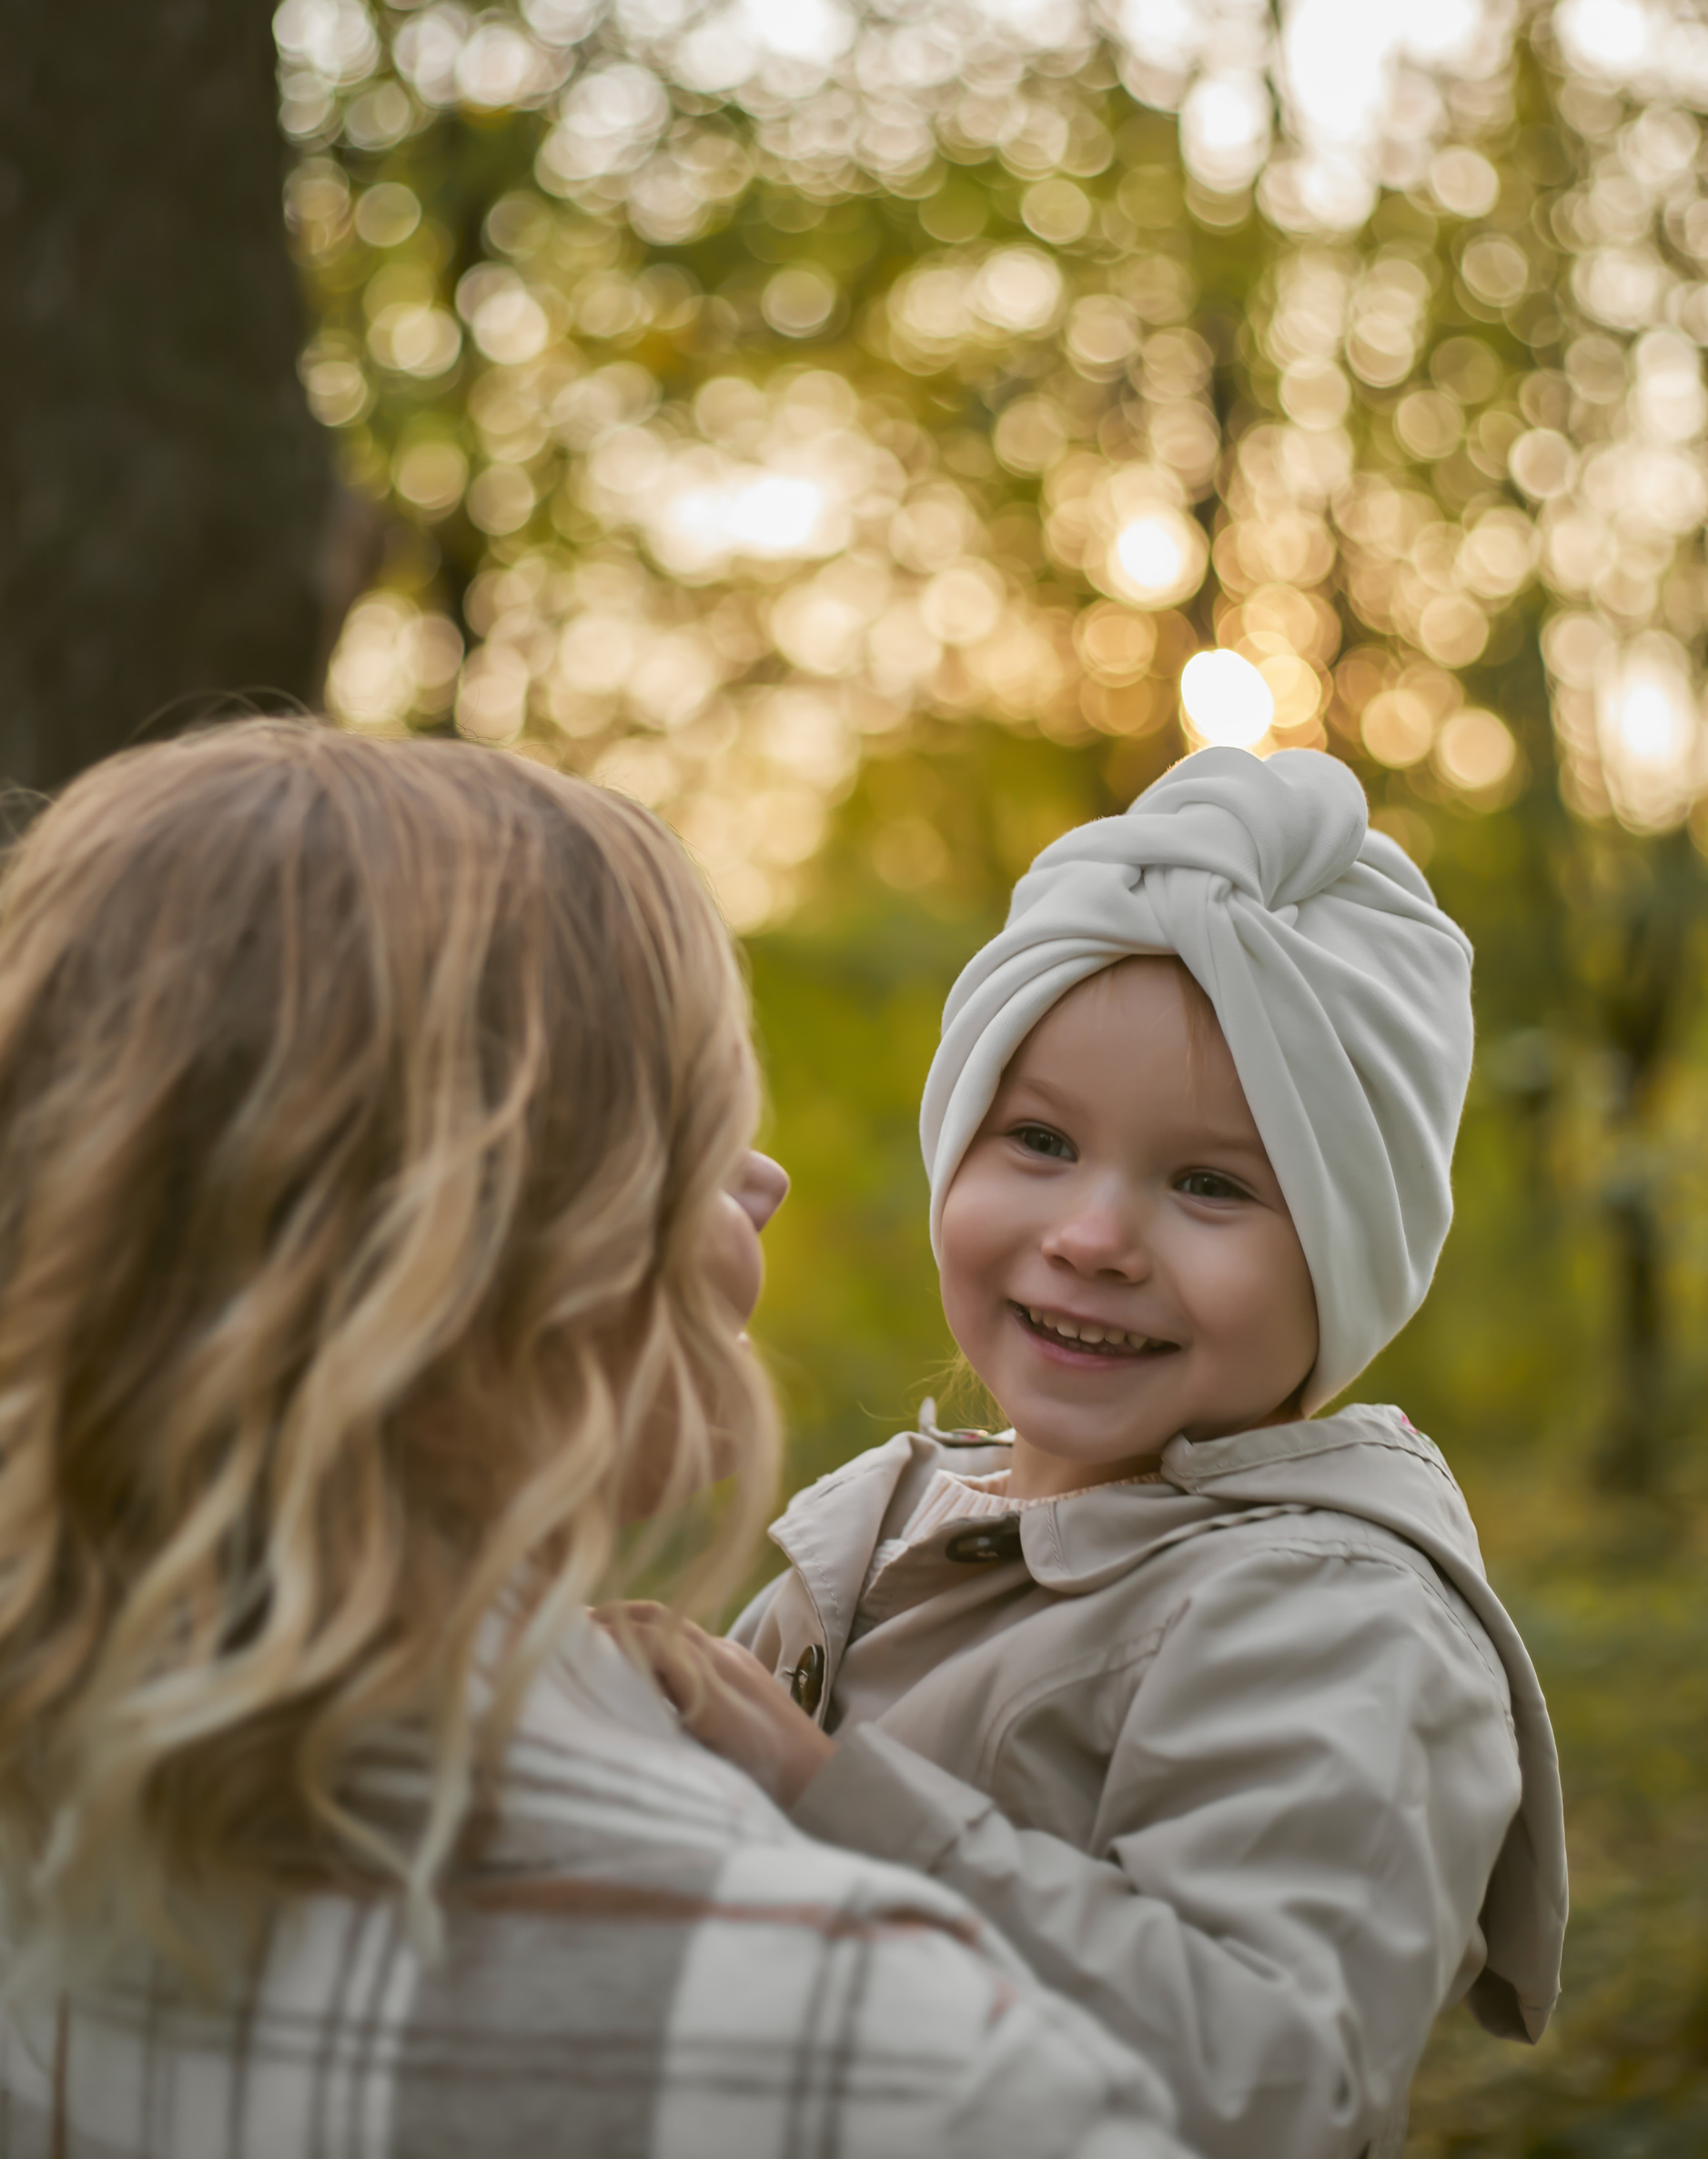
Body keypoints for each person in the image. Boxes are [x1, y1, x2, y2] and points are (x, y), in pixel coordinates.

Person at [0, 720, 1194, 2159]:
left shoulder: (32, 1823)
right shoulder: (893, 2051)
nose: (766, 1177)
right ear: (465, 1248)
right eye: (689, 1124)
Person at [646, 745, 1570, 2159]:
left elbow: (1271, 2088)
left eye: (1208, 1183)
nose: (1090, 1238)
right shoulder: (881, 1527)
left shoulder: (1337, 1621)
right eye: (1036, 1139)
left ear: (1347, 1257)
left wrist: (824, 1795)